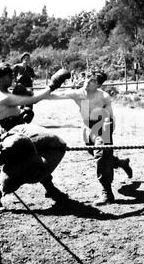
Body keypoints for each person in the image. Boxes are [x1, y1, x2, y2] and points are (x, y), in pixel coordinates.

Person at [0, 62, 71, 209]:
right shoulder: (2, 97)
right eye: (9, 76)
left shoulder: (4, 91)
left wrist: (24, 111)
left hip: (17, 125)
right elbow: (34, 99)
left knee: (36, 153)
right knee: (50, 147)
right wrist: (53, 84)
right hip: (12, 132)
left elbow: (27, 101)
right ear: (1, 80)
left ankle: (50, 189)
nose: (12, 78)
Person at [48, 69, 133, 206]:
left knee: (101, 154)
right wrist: (30, 94)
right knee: (96, 153)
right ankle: (120, 162)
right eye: (88, 77)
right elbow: (54, 96)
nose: (88, 81)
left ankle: (107, 193)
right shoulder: (78, 93)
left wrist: (106, 136)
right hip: (87, 127)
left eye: (93, 80)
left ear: (98, 85)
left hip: (103, 125)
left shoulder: (103, 96)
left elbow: (110, 117)